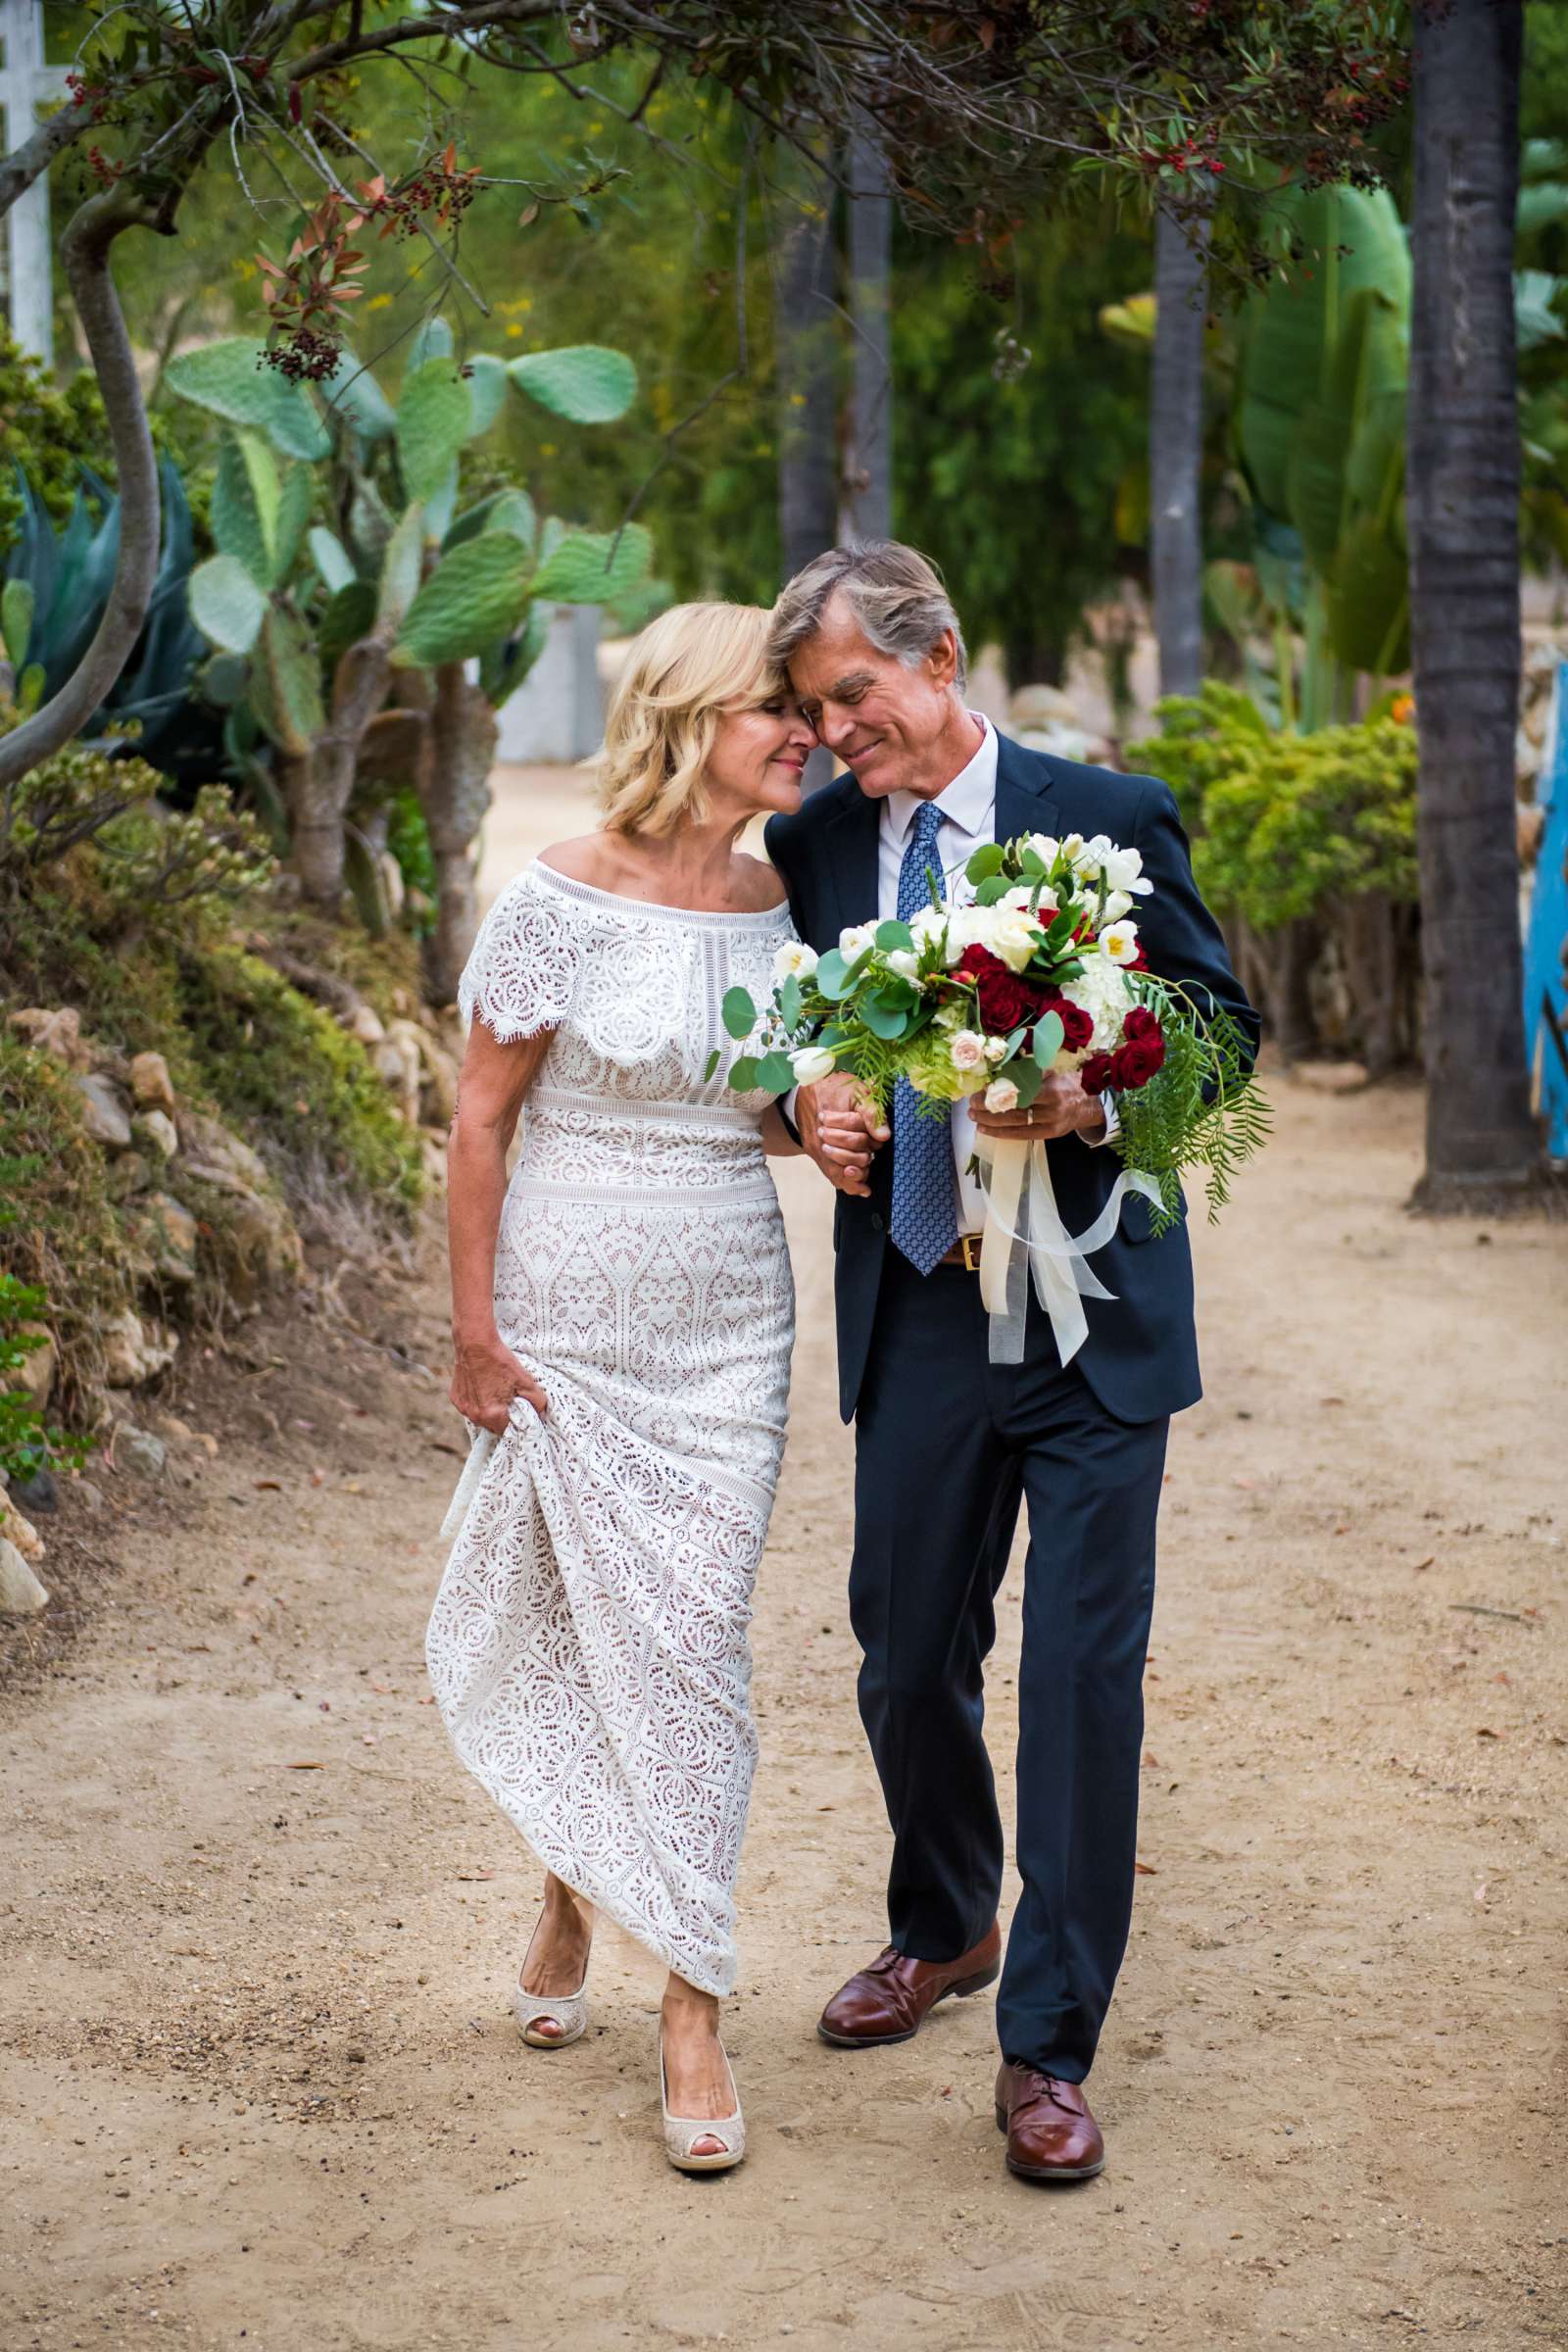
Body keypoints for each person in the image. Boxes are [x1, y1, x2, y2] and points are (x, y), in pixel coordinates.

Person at [762, 541, 1260, 2183]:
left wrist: (1094, 1102)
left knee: (1080, 1684)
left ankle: (1046, 2045)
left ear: (941, 658)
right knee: (904, 1654)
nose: (836, 731)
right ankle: (949, 1917)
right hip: (917, 1298)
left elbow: (1221, 1027)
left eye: (854, 694)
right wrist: (806, 1113)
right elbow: (793, 1040)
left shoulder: (1105, 819)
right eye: (815, 709)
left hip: (1100, 1316)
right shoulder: (820, 844)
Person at [425, 603, 837, 2174]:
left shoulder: (781, 901)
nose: (800, 736)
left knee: (694, 1645)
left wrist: (843, 1117)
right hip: (567, 1319)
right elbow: (480, 1125)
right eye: (773, 712)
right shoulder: (559, 898)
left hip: (730, 1327)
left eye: (803, 713)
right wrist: (473, 1335)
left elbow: (778, 1113)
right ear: (685, 718)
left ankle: (692, 2005)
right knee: (585, 1622)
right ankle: (566, 1890)